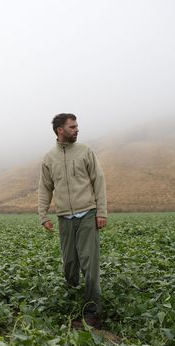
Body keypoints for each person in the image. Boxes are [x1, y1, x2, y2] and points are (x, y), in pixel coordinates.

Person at [38, 113, 107, 329]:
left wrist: (101, 212)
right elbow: (45, 188)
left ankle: (92, 312)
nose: (77, 129)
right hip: (64, 218)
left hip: (87, 213)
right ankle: (73, 299)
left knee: (89, 263)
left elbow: (99, 180)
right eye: (73, 126)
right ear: (60, 130)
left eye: (77, 126)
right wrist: (43, 216)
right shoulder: (49, 158)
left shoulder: (85, 151)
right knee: (69, 263)